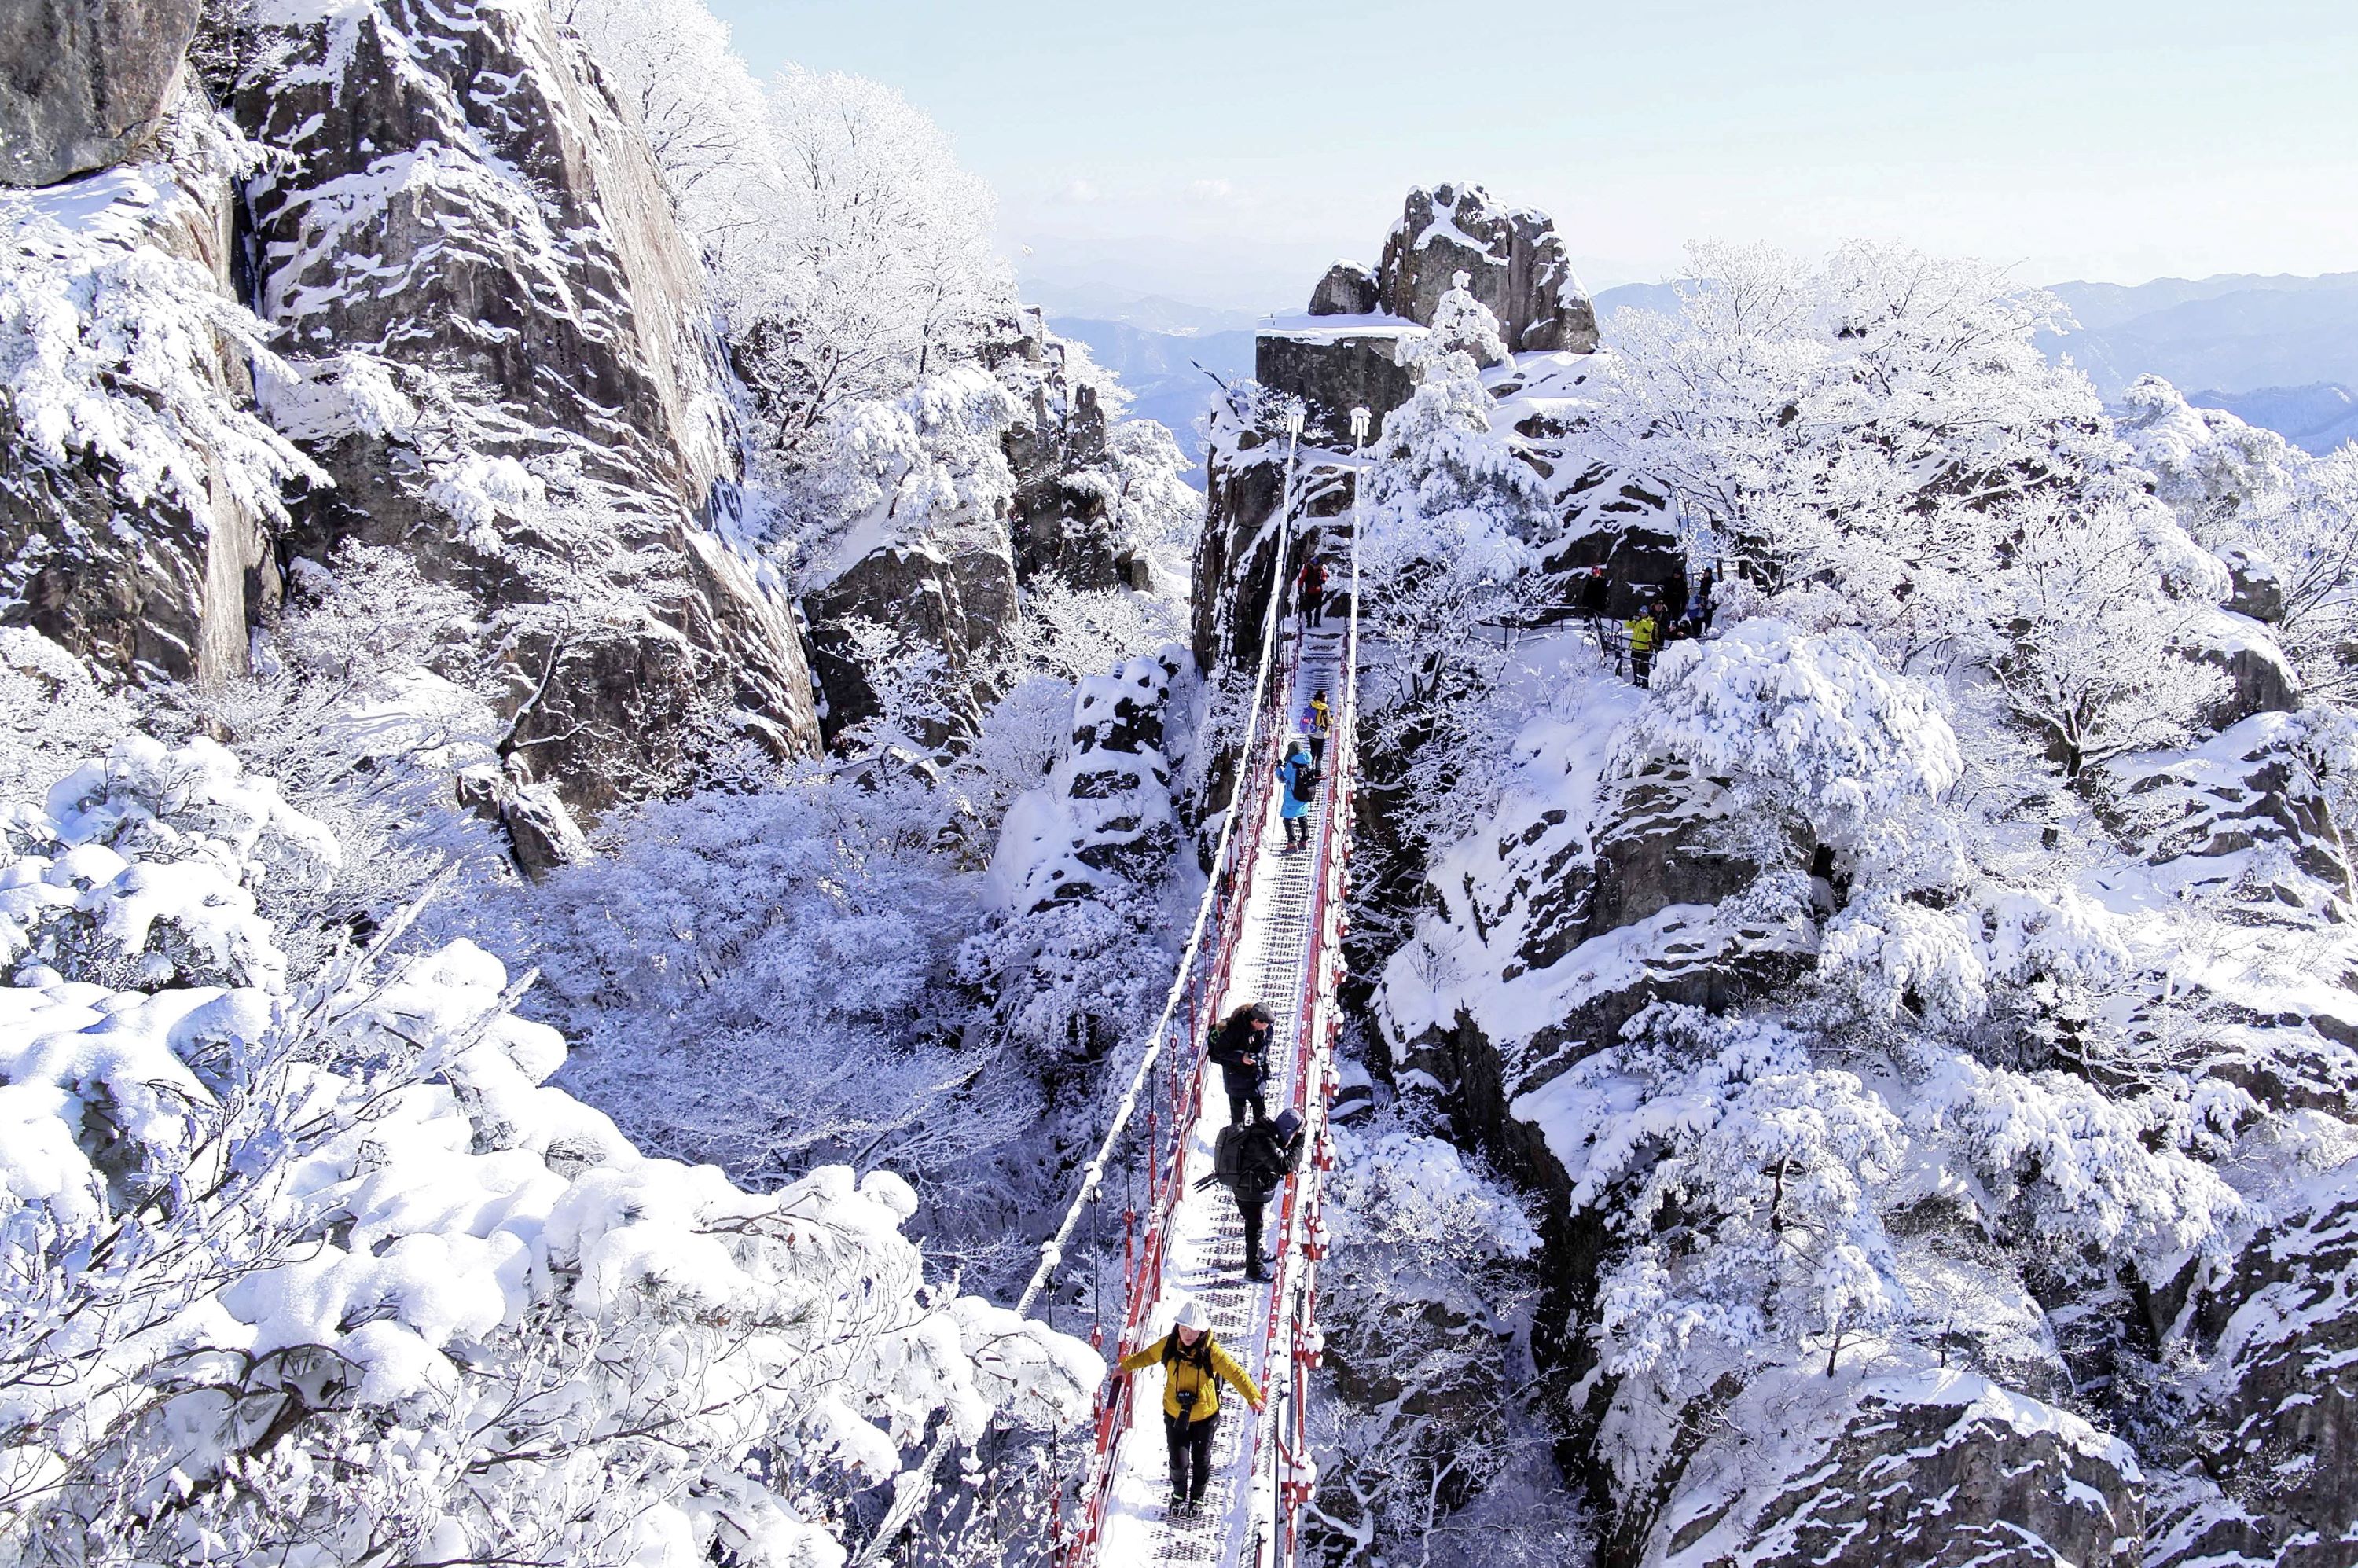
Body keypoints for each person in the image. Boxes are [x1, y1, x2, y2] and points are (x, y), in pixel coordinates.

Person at [1116, 1298, 1263, 1516]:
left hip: (1205, 1416)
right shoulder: (1169, 1346)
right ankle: (1178, 1496)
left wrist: (1253, 1397)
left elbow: (1235, 1373)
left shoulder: (1211, 1351)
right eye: (1184, 1329)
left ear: (1201, 1331)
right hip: (1175, 1414)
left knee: (1201, 1459)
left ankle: (1197, 1498)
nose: (1187, 1335)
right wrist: (1125, 1367)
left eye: (1192, 1331)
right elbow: (1148, 1356)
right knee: (1178, 1461)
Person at [1224, 1109, 1302, 1282]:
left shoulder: (1264, 1131)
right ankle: (1254, 1268)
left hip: (1242, 1184)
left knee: (1252, 1224)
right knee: (1254, 1228)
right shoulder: (1264, 1141)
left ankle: (1257, 1253)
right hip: (1249, 1190)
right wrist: (1299, 1147)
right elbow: (1284, 1166)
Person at [1209, 1003, 1273, 1126]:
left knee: (1261, 1117)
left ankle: (1260, 1141)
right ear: (1256, 1021)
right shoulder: (1232, 1030)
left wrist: (1259, 1056)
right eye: (1265, 1023)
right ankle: (1237, 1142)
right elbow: (1219, 1052)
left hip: (1256, 1078)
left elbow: (1266, 1045)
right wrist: (1241, 1057)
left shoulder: (1266, 1029)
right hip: (1236, 1080)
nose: (1268, 1026)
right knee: (1238, 1121)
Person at [1276, 737, 1317, 851]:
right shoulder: (1308, 762)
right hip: (1305, 796)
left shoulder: (1291, 765)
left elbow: (1283, 778)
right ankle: (1304, 841)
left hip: (1292, 797)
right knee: (1302, 818)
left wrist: (1278, 768)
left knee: (1287, 820)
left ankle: (1292, 843)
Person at [1625, 604, 1661, 689]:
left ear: (1646, 613)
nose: (1641, 614)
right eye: (1640, 612)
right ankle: (1636, 680)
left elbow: (1649, 628)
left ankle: (1646, 683)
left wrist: (1642, 620)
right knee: (1634, 663)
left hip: (1644, 648)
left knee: (1644, 666)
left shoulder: (1650, 621)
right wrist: (1630, 620)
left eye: (1643, 613)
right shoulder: (1637, 622)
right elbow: (1627, 626)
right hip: (1635, 646)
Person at [1299, 690, 1331, 767]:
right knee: (1320, 753)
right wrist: (1332, 720)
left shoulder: (1312, 705)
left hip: (1310, 731)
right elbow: (1326, 723)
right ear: (1323, 698)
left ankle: (1310, 766)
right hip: (1319, 734)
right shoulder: (1324, 708)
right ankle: (1318, 771)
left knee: (1313, 751)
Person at [1296, 554, 1329, 628]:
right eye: (1314, 565)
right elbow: (1302, 578)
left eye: (1316, 566)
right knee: (1308, 608)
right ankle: (1309, 622)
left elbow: (1324, 575)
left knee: (1318, 607)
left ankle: (1317, 622)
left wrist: (1323, 580)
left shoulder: (1321, 569)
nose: (1315, 567)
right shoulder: (1307, 569)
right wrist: (1300, 587)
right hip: (1309, 591)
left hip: (1318, 591)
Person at [1694, 567, 1717, 634]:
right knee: (1700, 617)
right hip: (1702, 600)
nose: (1705, 574)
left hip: (1708, 601)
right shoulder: (1704, 581)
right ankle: (1699, 632)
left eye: (1706, 572)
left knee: (1708, 617)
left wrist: (1706, 596)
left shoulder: (1712, 582)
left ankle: (1708, 631)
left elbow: (1711, 591)